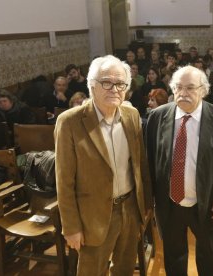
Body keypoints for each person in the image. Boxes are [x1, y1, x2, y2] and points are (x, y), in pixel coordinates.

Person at [55, 55, 152, 275]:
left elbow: (140, 164)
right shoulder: (70, 122)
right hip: (92, 215)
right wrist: (71, 227)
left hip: (130, 209)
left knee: (125, 268)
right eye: (106, 82)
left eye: (121, 84)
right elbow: (64, 180)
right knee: (92, 271)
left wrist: (145, 205)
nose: (114, 89)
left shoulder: (131, 115)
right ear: (91, 85)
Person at [146, 65, 213, 275]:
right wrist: (151, 199)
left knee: (209, 258)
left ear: (203, 90)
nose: (183, 93)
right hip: (170, 203)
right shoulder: (157, 117)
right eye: (178, 87)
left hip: (207, 203)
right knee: (174, 257)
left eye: (190, 88)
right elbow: (150, 160)